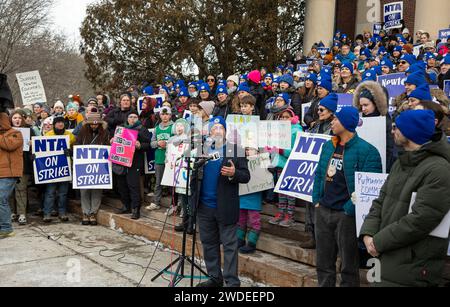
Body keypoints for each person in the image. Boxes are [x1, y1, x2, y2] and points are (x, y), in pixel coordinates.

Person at [361, 110, 450, 287]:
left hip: (411, 264)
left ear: (410, 133)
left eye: (396, 128)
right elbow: (380, 201)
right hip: (382, 256)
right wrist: (368, 233)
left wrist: (378, 242)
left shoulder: (439, 169)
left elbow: (421, 219)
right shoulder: (401, 162)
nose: (392, 131)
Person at [313, 107, 382, 287]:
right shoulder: (328, 145)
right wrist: (316, 201)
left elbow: (368, 189)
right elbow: (319, 174)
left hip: (345, 215)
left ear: (346, 123)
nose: (332, 122)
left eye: (335, 119)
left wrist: (348, 210)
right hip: (324, 210)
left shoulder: (368, 151)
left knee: (348, 265)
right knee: (323, 263)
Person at [195, 116, 250, 287]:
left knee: (229, 246)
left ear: (225, 132)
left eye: (221, 128)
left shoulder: (236, 149)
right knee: (209, 244)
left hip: (225, 206)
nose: (217, 131)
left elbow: (246, 176)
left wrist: (234, 173)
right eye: (214, 128)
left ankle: (232, 282)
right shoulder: (201, 149)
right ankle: (214, 278)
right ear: (209, 132)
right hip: (204, 206)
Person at [267, 107, 303, 228]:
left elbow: (297, 150)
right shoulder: (279, 129)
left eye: (286, 117)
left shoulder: (297, 130)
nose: (283, 119)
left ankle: (290, 215)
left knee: (289, 192)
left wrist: (280, 150)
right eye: (282, 117)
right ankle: (281, 212)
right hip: (279, 163)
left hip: (291, 164)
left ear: (292, 118)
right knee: (281, 190)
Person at [114, 111, 152, 220]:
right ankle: (126, 206)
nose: (132, 119)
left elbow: (148, 145)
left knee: (133, 186)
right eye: (130, 117)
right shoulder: (121, 128)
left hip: (134, 162)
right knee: (121, 185)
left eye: (135, 117)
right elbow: (116, 142)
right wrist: (112, 140)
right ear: (127, 118)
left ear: (138, 118)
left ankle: (136, 209)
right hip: (121, 161)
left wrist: (140, 145)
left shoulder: (142, 129)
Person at [75, 109, 110, 225]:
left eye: (96, 123)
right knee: (84, 189)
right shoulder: (82, 133)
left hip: (99, 165)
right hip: (84, 165)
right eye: (92, 123)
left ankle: (93, 212)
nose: (94, 126)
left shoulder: (104, 133)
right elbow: (77, 146)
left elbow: (107, 147)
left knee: (96, 189)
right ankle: (85, 212)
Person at [353, 81, 395, 172]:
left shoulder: (386, 123)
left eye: (366, 105)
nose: (363, 109)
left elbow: (390, 151)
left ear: (376, 104)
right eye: (361, 106)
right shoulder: (360, 122)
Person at [43, 116, 76, 223]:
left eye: (62, 122)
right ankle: (47, 213)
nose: (60, 124)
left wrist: (70, 151)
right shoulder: (48, 135)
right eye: (58, 122)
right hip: (52, 168)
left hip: (65, 168)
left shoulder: (70, 135)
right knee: (50, 192)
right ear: (54, 125)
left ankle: (62, 212)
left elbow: (75, 148)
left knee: (63, 192)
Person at [9, 110, 35, 225]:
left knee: (21, 190)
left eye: (19, 117)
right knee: (9, 190)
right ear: (11, 119)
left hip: (24, 165)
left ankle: (22, 214)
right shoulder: (6, 131)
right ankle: (11, 212)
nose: (17, 120)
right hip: (9, 165)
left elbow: (37, 147)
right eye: (15, 118)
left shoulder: (30, 131)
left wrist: (32, 144)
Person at [0, 111, 24, 238]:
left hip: (9, 173)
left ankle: (6, 228)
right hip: (1, 172)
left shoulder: (16, 133)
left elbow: (8, 145)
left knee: (1, 199)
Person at [147, 107, 174, 211]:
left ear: (170, 115)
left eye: (167, 114)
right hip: (159, 157)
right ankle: (156, 202)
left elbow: (178, 140)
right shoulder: (157, 128)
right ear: (160, 115)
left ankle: (174, 204)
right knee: (158, 182)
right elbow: (151, 143)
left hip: (171, 158)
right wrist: (158, 143)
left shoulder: (174, 127)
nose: (165, 116)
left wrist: (167, 143)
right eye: (163, 114)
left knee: (172, 182)